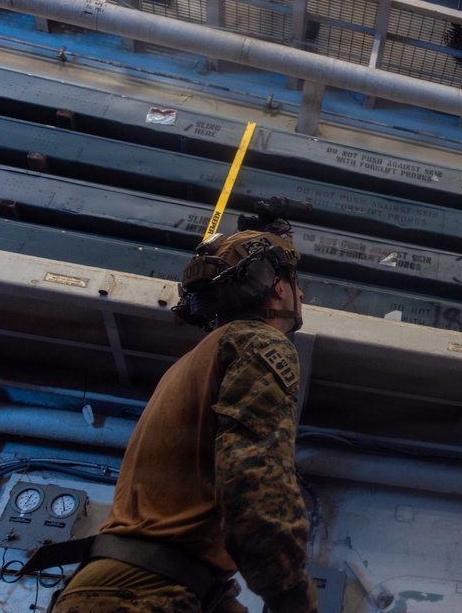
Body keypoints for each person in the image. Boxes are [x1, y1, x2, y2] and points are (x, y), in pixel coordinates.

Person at [48, 230, 319, 613]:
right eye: (295, 283)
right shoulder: (259, 343)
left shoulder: (190, 364)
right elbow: (255, 483)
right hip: (142, 596)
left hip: (113, 588)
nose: (301, 295)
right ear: (276, 286)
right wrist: (295, 600)